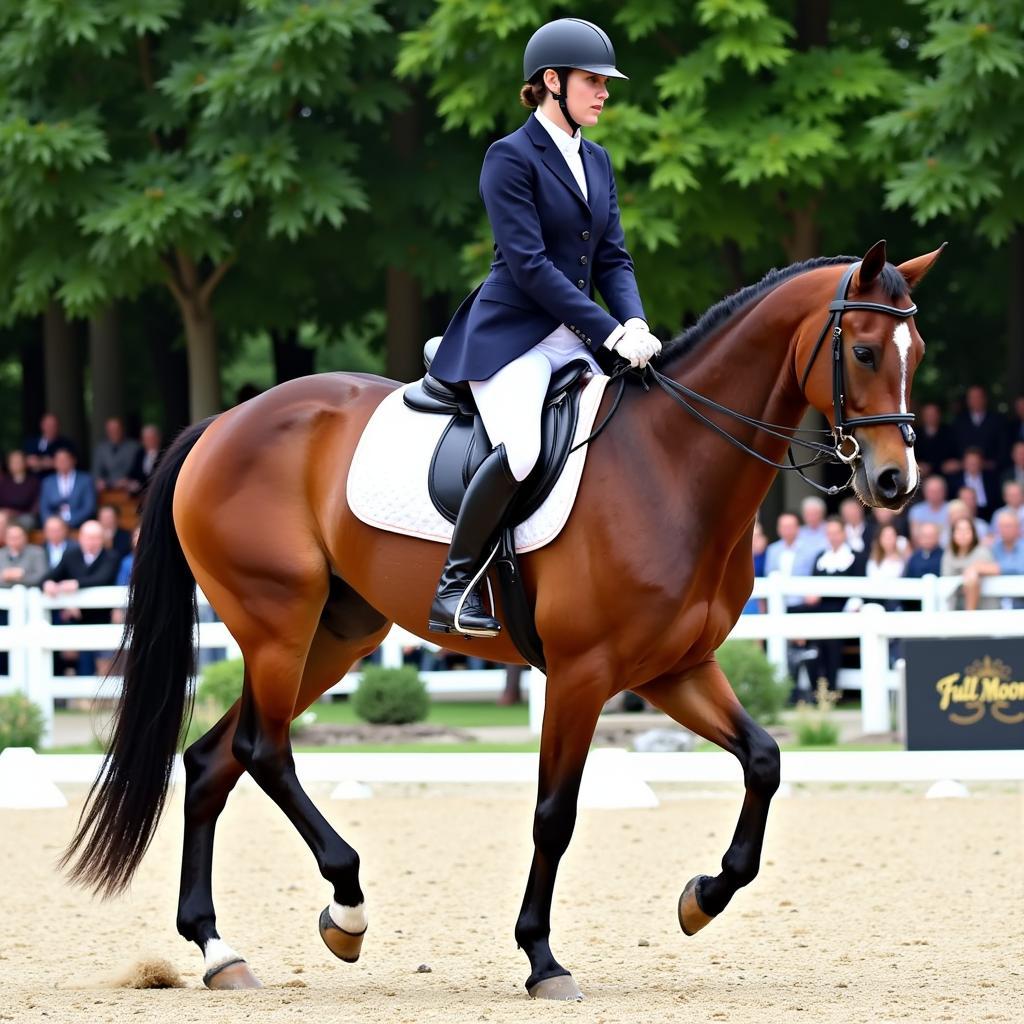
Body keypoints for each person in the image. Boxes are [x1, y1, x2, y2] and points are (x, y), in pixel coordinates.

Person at [424, 18, 660, 637]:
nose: (604, 93)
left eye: (605, 83)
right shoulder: (508, 157)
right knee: (523, 451)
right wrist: (611, 333)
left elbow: (613, 257)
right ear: (551, 82)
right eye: (592, 81)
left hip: (575, 340)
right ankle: (455, 585)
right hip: (513, 339)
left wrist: (633, 317)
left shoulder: (598, 160)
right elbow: (528, 267)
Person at [43, 519, 121, 675]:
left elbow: (103, 578)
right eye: (88, 537)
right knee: (75, 659)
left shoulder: (111, 556)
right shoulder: (71, 555)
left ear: (102, 539)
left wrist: (76, 584)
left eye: (96, 537)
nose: (91, 542)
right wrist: (48, 583)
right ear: (80, 538)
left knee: (104, 663)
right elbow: (51, 576)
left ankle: (99, 698)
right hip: (75, 616)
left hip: (103, 618)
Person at [941, 516, 999, 611]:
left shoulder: (982, 551)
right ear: (953, 534)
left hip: (983, 606)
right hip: (955, 603)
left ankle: (969, 614)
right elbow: (946, 577)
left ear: (973, 533)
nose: (963, 534)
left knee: (972, 575)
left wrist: (975, 569)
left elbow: (996, 569)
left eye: (967, 530)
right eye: (959, 530)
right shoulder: (948, 554)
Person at [764, 511, 819, 607]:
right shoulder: (772, 550)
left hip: (802, 602)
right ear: (778, 529)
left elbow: (814, 574)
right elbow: (768, 573)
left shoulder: (810, 550)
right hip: (777, 601)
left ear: (798, 528)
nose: (787, 530)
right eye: (784, 527)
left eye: (790, 526)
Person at [951, 385, 1006, 471]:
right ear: (967, 400)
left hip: (991, 470)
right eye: (972, 397)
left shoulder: (998, 421)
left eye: (978, 397)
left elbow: (1003, 447)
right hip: (963, 470)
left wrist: (992, 463)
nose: (975, 400)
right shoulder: (958, 421)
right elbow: (954, 447)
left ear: (985, 399)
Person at [39, 447, 96, 527]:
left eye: (65, 459)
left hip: (79, 524)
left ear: (73, 460)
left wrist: (69, 522)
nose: (62, 462)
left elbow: (89, 507)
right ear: (54, 462)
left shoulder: (85, 480)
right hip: (54, 526)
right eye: (58, 460)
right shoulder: (47, 482)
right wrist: (53, 523)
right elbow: (44, 508)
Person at [947, 447, 999, 521]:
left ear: (981, 463)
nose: (973, 464)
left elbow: (996, 501)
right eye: (970, 462)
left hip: (987, 514)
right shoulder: (954, 480)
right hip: (962, 515)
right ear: (964, 463)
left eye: (975, 462)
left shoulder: (991, 479)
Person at [93, 417, 142, 493]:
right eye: (111, 430)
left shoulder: (135, 447)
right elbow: (96, 473)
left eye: (117, 429)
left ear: (122, 429)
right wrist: (111, 483)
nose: (114, 432)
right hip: (107, 490)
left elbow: (140, 471)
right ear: (107, 431)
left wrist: (128, 480)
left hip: (130, 489)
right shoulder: (101, 448)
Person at [913, 402, 958, 479]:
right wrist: (916, 465)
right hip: (922, 476)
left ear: (939, 415)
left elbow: (956, 456)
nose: (931, 417)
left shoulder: (949, 432)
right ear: (923, 416)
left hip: (946, 475)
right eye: (928, 415)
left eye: (933, 414)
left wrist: (954, 463)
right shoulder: (915, 434)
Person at [989, 510, 1024, 608]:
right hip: (997, 600)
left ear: (1018, 528)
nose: (1004, 529)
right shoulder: (993, 548)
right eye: (1001, 526)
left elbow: (1020, 568)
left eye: (1008, 526)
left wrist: (997, 568)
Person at [0, 450, 41, 530]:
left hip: (25, 517)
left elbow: (36, 505)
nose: (16, 464)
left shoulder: (33, 482)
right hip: (5, 516)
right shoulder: (3, 482)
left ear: (25, 463)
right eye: (13, 462)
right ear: (8, 465)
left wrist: (17, 513)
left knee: (27, 521)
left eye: (18, 461)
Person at [0, 523, 47, 588]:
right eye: (11, 537)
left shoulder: (37, 552)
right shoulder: (1, 554)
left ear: (25, 537)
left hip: (29, 592)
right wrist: (5, 576)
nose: (14, 540)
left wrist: (22, 576)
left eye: (18, 537)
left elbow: (42, 576)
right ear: (6, 539)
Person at [907, 474, 949, 540]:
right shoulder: (916, 510)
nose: (935, 494)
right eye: (931, 491)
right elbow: (916, 538)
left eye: (938, 491)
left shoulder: (952, 509)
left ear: (944, 491)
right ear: (924, 492)